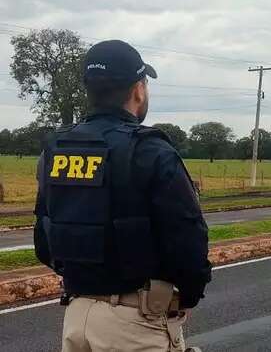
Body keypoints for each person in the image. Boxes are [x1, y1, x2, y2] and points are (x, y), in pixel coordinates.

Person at [33, 40, 211, 352]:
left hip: (76, 318)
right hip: (137, 323)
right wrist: (189, 296)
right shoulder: (152, 150)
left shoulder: (55, 150)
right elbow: (188, 240)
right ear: (138, 90)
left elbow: (45, 241)